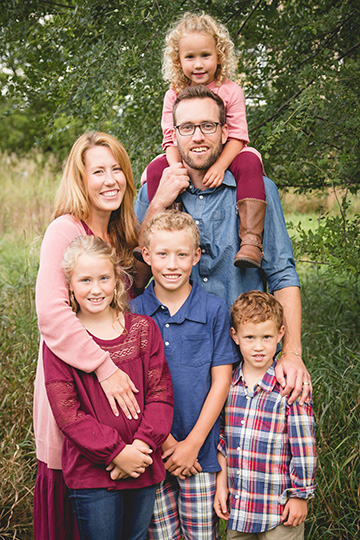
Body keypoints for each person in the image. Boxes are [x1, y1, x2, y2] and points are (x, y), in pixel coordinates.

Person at [135, 84, 311, 405]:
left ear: (224, 131)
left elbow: (283, 275)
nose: (198, 136)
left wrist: (293, 354)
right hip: (170, 365)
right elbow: (132, 276)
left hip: (244, 361)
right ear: (173, 135)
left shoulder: (258, 191)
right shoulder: (153, 193)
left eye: (208, 126)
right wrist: (158, 202)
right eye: (187, 127)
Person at [33, 132, 150, 540]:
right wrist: (104, 367)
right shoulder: (64, 231)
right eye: (97, 170)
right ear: (80, 180)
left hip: (119, 414)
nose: (110, 179)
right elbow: (51, 313)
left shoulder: (120, 237)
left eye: (117, 168)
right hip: (78, 392)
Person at [42, 235, 174, 540]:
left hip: (142, 464)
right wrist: (116, 453)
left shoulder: (143, 329)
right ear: (70, 286)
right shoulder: (63, 343)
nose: (96, 288)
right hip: (93, 475)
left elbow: (161, 394)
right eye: (85, 280)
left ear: (117, 280)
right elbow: (68, 414)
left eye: (104, 278)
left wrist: (141, 447)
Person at [132, 211, 239, 539]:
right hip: (151, 453)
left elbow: (221, 381)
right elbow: (131, 389)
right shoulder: (133, 313)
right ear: (147, 256)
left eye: (181, 255)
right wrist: (166, 444)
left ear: (196, 256)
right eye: (162, 254)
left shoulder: (213, 310)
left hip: (200, 454)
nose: (172, 264)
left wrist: (191, 445)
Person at [139, 12, 266, 268]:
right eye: (190, 57)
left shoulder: (231, 90)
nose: (198, 64)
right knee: (155, 169)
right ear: (178, 60)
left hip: (226, 152)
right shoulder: (173, 94)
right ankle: (164, 229)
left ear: (219, 56)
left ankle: (251, 240)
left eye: (205, 56)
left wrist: (220, 166)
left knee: (251, 161)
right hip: (187, 156)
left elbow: (238, 135)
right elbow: (170, 138)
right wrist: (176, 169)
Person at [214, 291, 316, 539]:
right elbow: (223, 440)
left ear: (280, 334)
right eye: (250, 337)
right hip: (240, 509)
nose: (258, 347)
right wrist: (221, 486)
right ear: (235, 336)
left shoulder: (290, 386)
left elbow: (304, 447)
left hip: (279, 510)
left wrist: (300, 496)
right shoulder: (227, 385)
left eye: (267, 337)